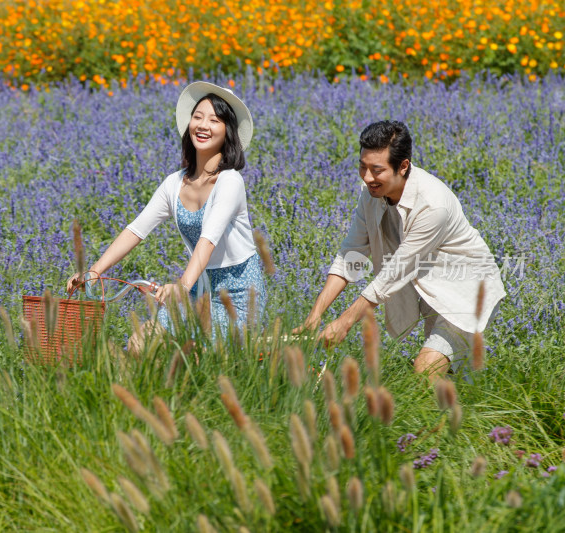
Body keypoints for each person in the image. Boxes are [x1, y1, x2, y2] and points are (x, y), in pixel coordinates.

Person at [67, 81, 266, 347]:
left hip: (239, 295)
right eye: (197, 117)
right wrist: (94, 271)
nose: (203, 125)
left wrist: (181, 286)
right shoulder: (175, 183)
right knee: (141, 342)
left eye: (214, 120)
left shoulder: (230, 181)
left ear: (228, 132)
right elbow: (136, 230)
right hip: (199, 288)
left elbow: (208, 239)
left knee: (189, 353)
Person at [301, 120, 505, 378]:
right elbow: (350, 255)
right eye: (362, 167)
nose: (366, 178)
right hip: (430, 290)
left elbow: (396, 271)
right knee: (449, 380)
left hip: (465, 291)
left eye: (376, 170)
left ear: (403, 166)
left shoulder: (432, 205)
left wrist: (344, 322)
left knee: (426, 370)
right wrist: (315, 315)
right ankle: (457, 415)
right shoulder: (371, 194)